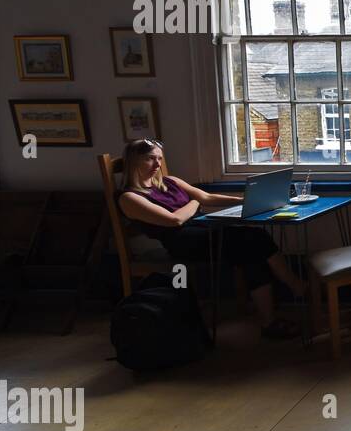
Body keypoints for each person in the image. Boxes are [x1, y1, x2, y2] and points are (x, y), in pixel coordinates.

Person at [115, 139, 305, 339]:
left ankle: (271, 320)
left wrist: (247, 200)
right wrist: (194, 203)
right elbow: (175, 220)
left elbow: (206, 197)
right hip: (182, 242)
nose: (157, 164)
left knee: (252, 248)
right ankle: (295, 287)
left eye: (159, 158)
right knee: (253, 238)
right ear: (134, 161)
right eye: (150, 159)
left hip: (201, 230)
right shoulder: (129, 198)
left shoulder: (170, 182)